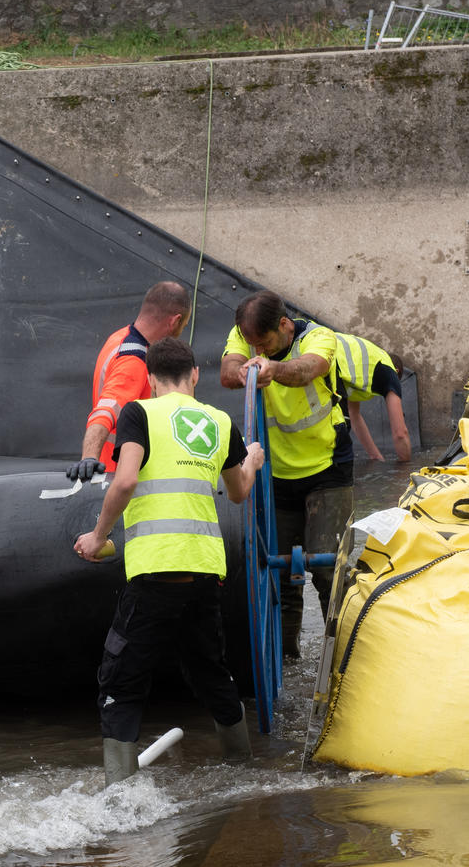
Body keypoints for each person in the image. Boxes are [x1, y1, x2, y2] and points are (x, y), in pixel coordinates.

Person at [72, 336, 265, 783]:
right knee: (210, 673)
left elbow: (123, 483)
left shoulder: (138, 413)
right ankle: (243, 769)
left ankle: (116, 796)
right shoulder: (219, 420)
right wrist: (251, 459)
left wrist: (97, 536)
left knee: (120, 683)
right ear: (195, 375)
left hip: (155, 569)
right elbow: (238, 493)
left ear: (151, 380)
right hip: (204, 572)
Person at [220, 291, 349, 660]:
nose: (256, 348)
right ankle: (286, 660)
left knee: (328, 569)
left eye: (264, 343)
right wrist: (242, 370)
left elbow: (308, 368)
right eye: (251, 344)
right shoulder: (245, 337)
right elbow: (228, 371)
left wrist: (272, 369)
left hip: (327, 469)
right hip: (275, 474)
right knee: (278, 578)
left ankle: (340, 657)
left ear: (285, 325)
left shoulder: (319, 338)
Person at [66, 280, 192, 483]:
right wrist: (89, 456)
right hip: (121, 475)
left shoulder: (120, 337)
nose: (181, 331)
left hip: (114, 472)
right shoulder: (134, 359)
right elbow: (108, 407)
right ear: (174, 321)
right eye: (184, 325)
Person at [328, 328, 413, 464]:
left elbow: (354, 415)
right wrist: (406, 465)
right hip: (328, 357)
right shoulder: (389, 370)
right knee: (339, 436)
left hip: (321, 349)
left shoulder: (358, 370)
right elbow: (400, 434)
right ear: (397, 371)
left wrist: (376, 457)